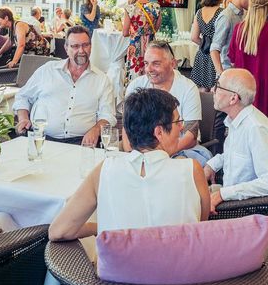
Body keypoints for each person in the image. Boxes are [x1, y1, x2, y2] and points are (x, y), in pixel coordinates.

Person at [48, 88, 210, 240]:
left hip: (117, 261)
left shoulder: (105, 170)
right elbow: (201, 226)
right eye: (177, 122)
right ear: (159, 132)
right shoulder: (192, 169)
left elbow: (58, 231)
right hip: (179, 261)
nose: (181, 127)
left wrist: (101, 228)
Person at [13, 25, 115, 146]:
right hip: (41, 139)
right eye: (75, 46)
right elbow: (23, 96)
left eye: (85, 45)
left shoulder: (102, 80)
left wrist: (96, 130)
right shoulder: (48, 70)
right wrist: (23, 118)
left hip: (81, 143)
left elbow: (107, 115)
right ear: (66, 48)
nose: (81, 51)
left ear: (91, 47)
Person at [204, 68, 268, 213]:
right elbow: (236, 154)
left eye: (218, 86)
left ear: (233, 98)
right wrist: (212, 165)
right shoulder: (236, 119)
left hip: (246, 210)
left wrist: (223, 194)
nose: (212, 90)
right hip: (231, 197)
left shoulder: (255, 128)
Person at [126, 41, 211, 165]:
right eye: (146, 63)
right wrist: (131, 154)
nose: (149, 69)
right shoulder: (136, 85)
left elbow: (191, 135)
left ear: (173, 64)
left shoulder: (188, 88)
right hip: (142, 151)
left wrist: (159, 157)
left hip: (179, 149)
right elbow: (127, 127)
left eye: (156, 64)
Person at [228, 0, 268, 129]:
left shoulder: (239, 28)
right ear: (267, 8)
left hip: (242, 85)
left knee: (241, 123)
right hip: (263, 84)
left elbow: (232, 59)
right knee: (266, 126)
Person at [209, 0, 258, 77]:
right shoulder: (226, 16)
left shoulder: (245, 14)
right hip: (229, 74)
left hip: (241, 72)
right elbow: (214, 49)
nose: (253, 1)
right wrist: (222, 75)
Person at [123, 0, 161, 79]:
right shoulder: (156, 8)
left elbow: (125, 33)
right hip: (150, 47)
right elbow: (156, 29)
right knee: (150, 75)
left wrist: (135, 32)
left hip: (135, 47)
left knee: (135, 76)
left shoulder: (129, 8)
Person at [190, 0, 224, 90]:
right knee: (216, 88)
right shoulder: (222, 13)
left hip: (202, 53)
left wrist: (205, 43)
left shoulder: (199, 12)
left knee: (202, 88)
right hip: (217, 54)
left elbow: (194, 37)